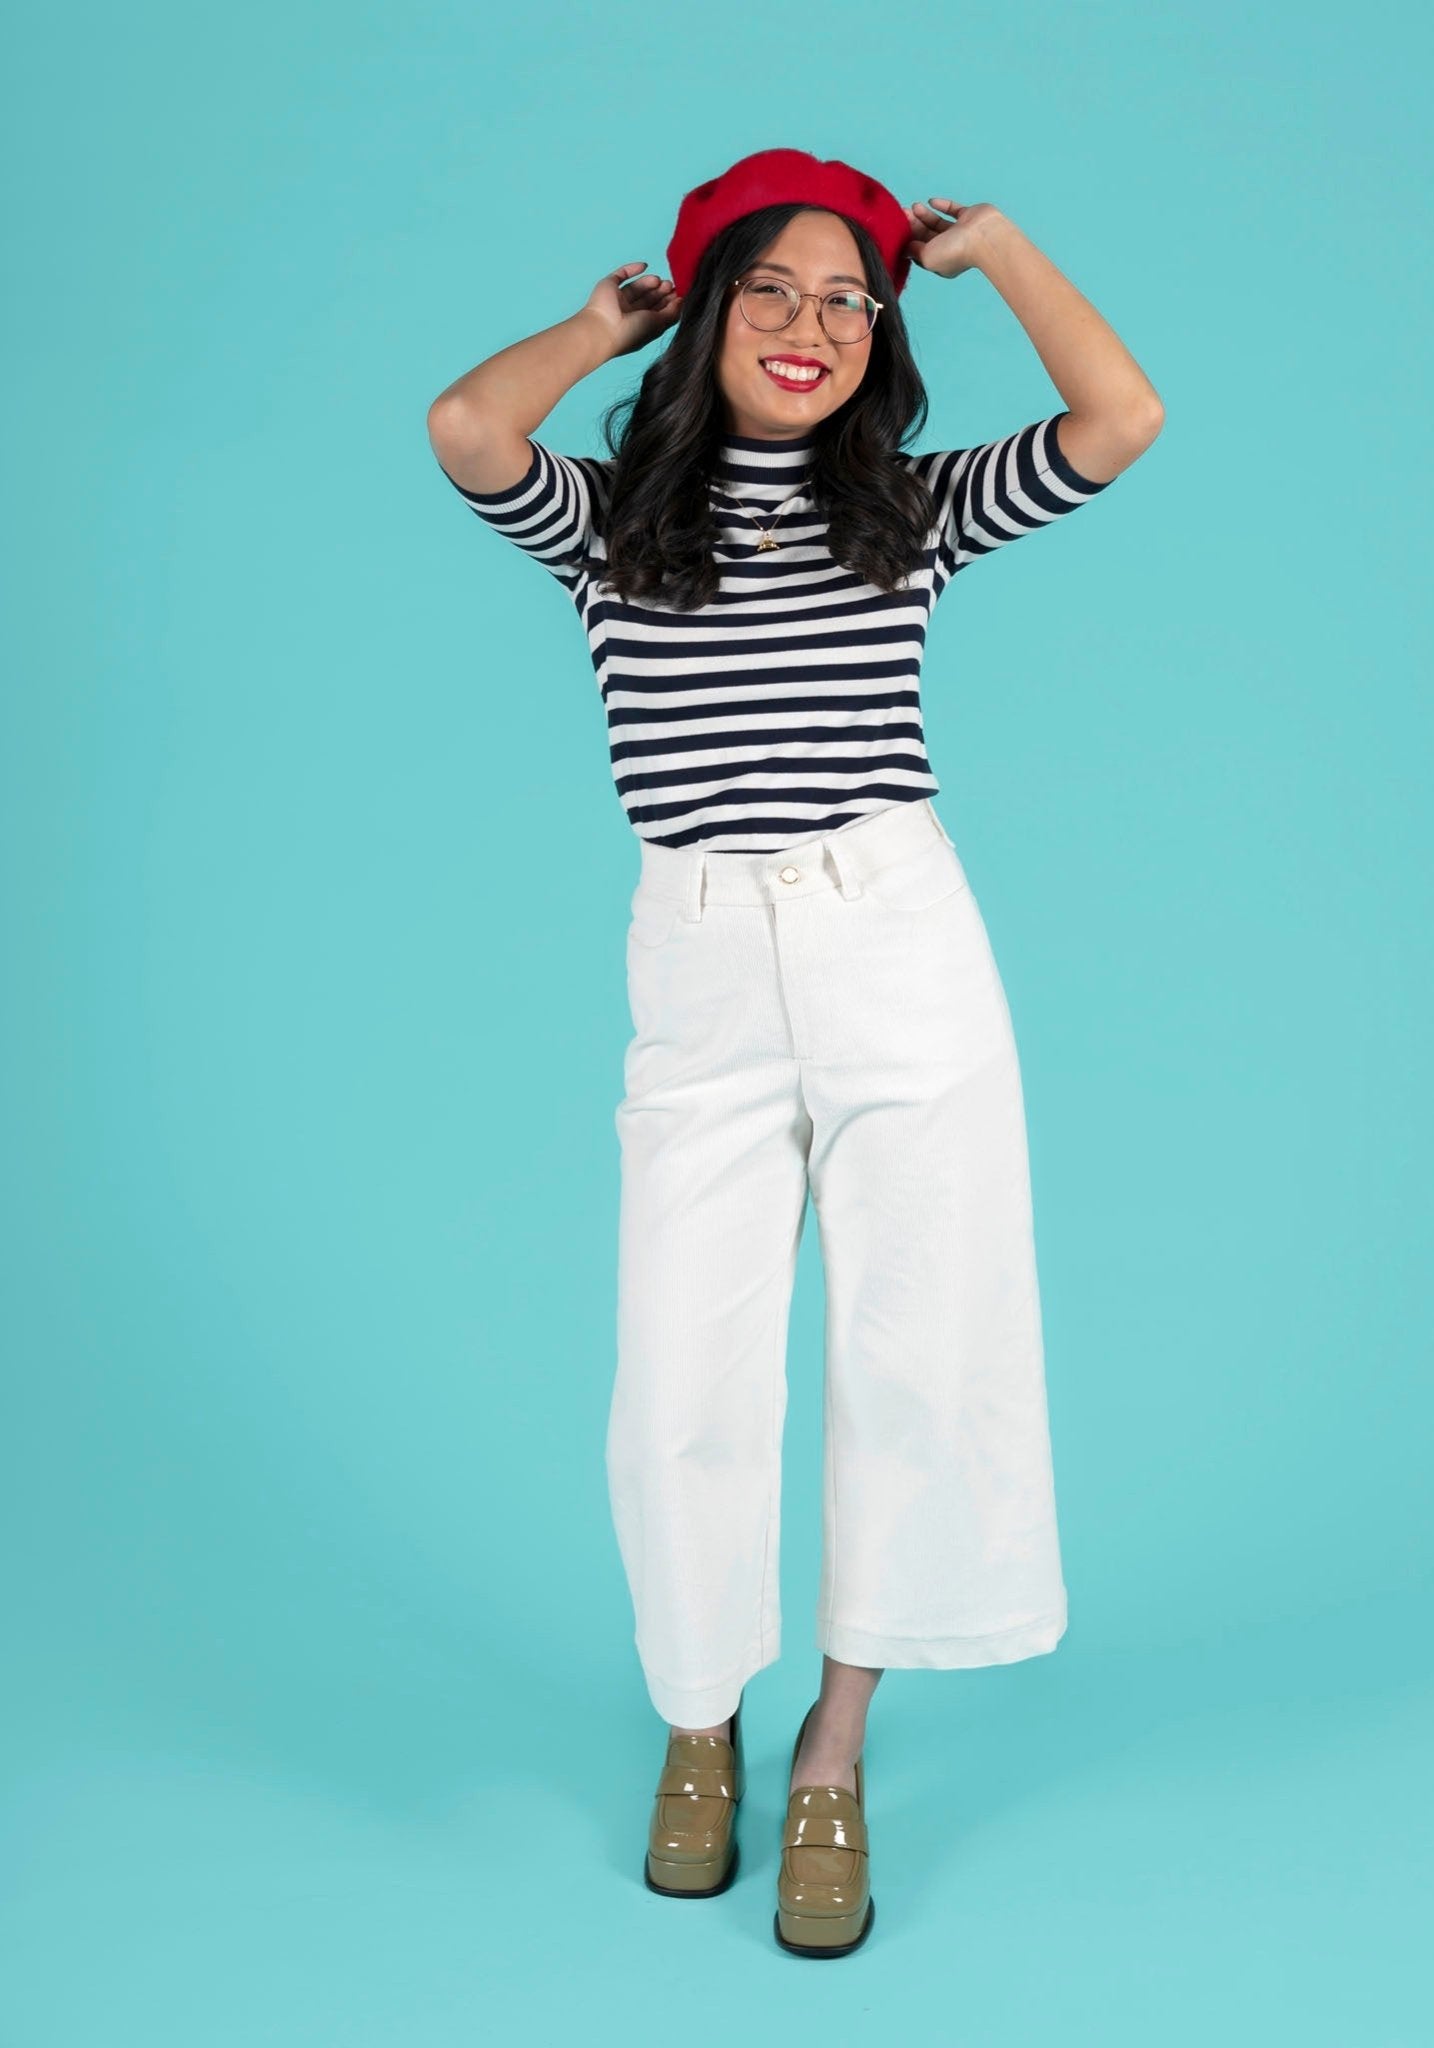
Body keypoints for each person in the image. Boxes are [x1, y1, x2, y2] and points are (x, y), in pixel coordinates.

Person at [426, 147, 1163, 1958]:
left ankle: (833, 1747)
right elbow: (466, 427)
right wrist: (603, 323)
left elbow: (1121, 417)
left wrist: (1003, 252)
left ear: (880, 335)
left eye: (849, 298)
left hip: (895, 932)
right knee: (682, 1372)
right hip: (699, 955)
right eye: (770, 289)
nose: (812, 325)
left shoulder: (910, 509)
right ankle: (702, 1721)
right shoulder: (612, 522)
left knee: (918, 1346)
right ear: (708, 314)